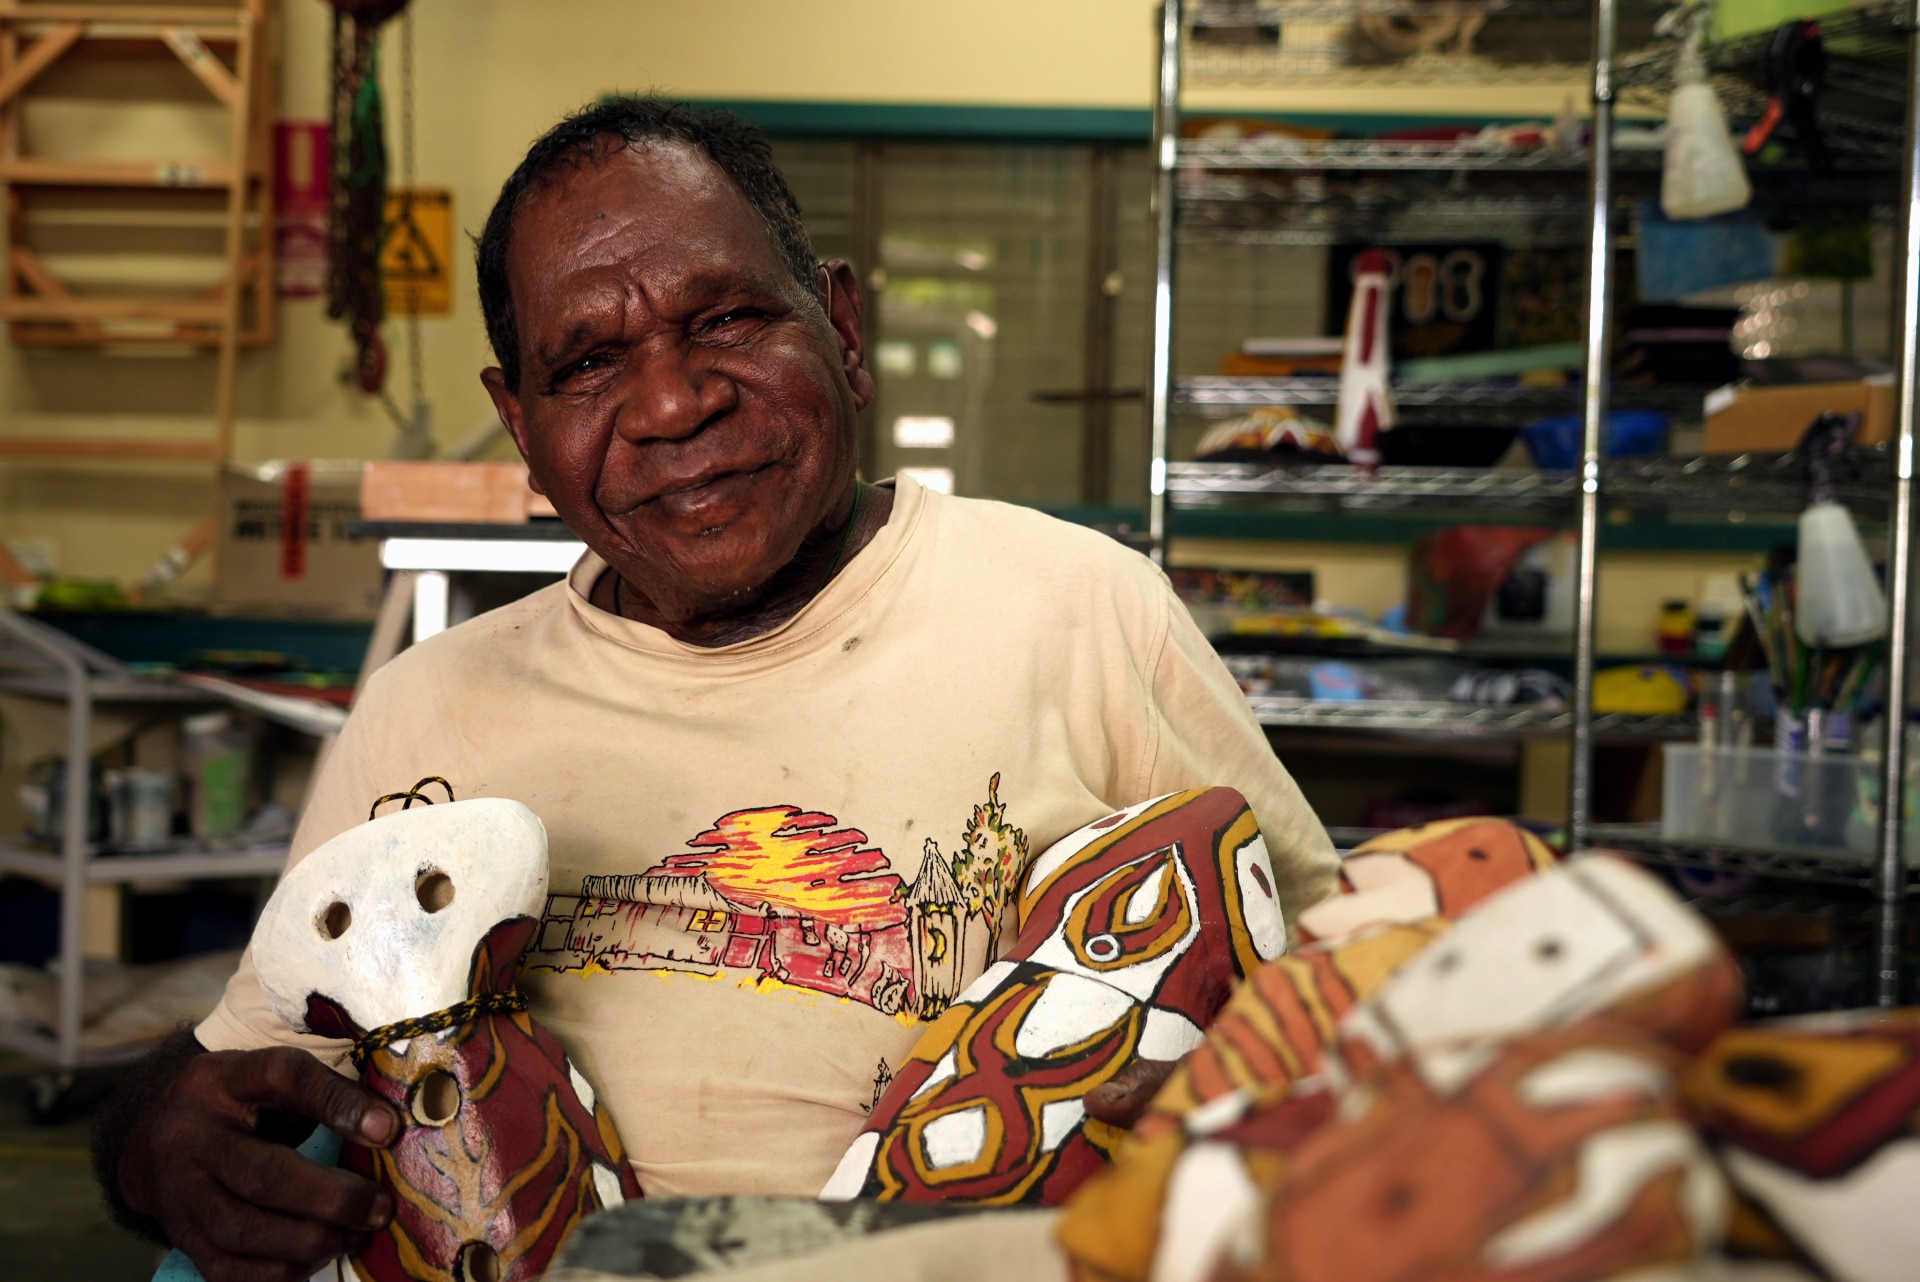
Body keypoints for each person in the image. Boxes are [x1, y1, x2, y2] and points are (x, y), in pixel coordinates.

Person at [94, 97, 1338, 1282]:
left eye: (730, 319)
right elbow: (254, 1075)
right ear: (520, 428)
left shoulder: (1080, 607)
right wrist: (154, 1144)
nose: (676, 403)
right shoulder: (427, 708)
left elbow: (1349, 989)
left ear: (842, 330)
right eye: (587, 362)